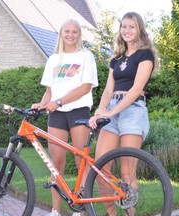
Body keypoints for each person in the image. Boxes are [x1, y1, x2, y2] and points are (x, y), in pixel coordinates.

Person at [88, 12, 159, 215]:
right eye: (124, 27)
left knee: (127, 173)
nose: (127, 31)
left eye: (132, 27)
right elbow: (108, 91)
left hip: (133, 111)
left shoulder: (145, 55)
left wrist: (110, 112)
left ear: (139, 30)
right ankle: (112, 214)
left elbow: (136, 89)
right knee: (101, 168)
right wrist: (101, 110)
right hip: (112, 110)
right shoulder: (116, 58)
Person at [32, 19, 98, 216]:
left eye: (75, 32)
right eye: (67, 31)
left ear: (79, 35)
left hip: (79, 112)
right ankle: (55, 211)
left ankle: (81, 208)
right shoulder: (54, 59)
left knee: (81, 161)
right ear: (61, 34)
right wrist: (42, 104)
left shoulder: (86, 57)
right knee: (56, 163)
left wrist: (59, 102)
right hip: (56, 116)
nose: (70, 35)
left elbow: (85, 87)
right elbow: (49, 92)